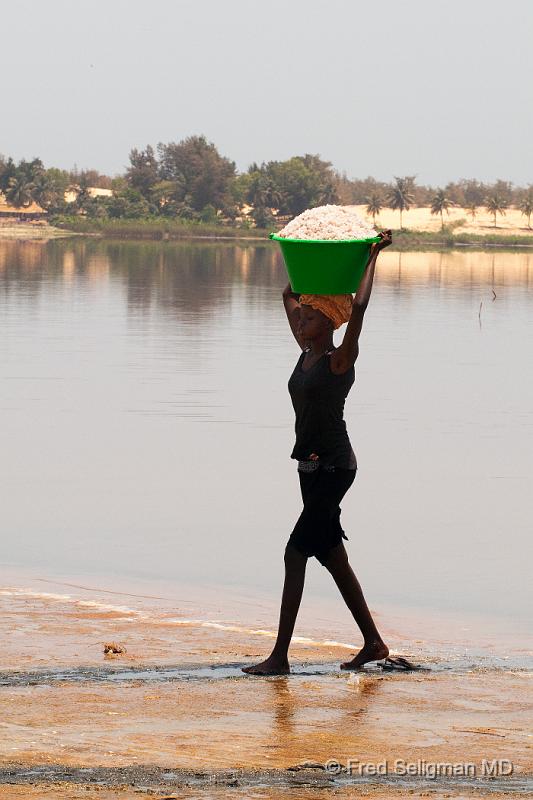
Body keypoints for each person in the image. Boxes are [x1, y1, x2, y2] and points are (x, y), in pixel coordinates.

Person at [242, 230, 393, 676]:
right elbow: (288, 294)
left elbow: (359, 308)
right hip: (308, 466)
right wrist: (299, 257)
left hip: (334, 466)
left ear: (328, 323)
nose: (300, 322)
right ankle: (374, 643)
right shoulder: (305, 353)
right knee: (330, 555)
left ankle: (279, 657)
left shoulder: (338, 359)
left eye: (309, 318)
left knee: (295, 552)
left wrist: (371, 256)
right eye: (301, 318)